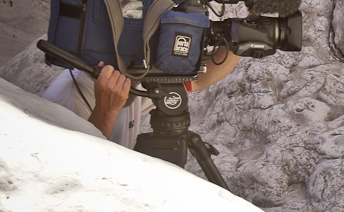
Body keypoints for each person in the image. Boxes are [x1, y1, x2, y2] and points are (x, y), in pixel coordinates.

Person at [42, 46, 240, 148]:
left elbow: (196, 80)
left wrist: (245, 39)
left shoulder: (129, 78)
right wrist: (106, 110)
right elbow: (78, 173)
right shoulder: (67, 99)